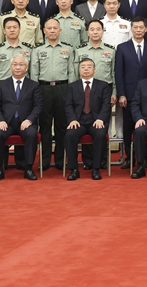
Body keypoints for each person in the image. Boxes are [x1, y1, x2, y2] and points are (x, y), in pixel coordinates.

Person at [29, 18, 77, 171]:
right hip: (43, 89)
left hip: (63, 88)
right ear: (44, 31)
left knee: (62, 126)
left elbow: (72, 72)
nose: (52, 31)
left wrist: (72, 92)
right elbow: (34, 73)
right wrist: (34, 93)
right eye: (49, 28)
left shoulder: (68, 49)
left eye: (55, 28)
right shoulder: (37, 50)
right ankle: (44, 160)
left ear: (60, 31)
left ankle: (60, 159)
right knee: (44, 126)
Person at [0, 55, 43, 181]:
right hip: (6, 122)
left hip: (25, 122)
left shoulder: (34, 85)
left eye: (21, 64)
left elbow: (38, 105)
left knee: (31, 134)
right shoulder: (2, 84)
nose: (18, 67)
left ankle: (28, 168)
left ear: (26, 68)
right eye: (15, 64)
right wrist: (0, 120)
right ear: (10, 67)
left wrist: (29, 120)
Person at [75, 20, 116, 170]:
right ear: (87, 32)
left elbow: (113, 73)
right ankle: (88, 160)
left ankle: (102, 159)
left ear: (103, 32)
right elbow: (75, 74)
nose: (95, 32)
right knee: (85, 120)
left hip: (104, 91)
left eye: (98, 29)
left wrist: (114, 92)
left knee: (101, 125)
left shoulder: (111, 51)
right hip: (85, 89)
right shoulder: (79, 50)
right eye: (92, 29)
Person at [115, 18, 147, 168]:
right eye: (135, 27)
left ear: (145, 30)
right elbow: (119, 73)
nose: (138, 30)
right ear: (131, 29)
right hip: (129, 95)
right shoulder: (122, 48)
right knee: (129, 127)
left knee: (145, 126)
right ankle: (129, 158)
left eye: (141, 27)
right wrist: (121, 94)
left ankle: (144, 158)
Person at [63, 58, 112, 181]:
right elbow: (68, 105)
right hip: (78, 121)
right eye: (83, 67)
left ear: (94, 70)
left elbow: (106, 105)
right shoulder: (72, 86)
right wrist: (72, 120)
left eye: (89, 67)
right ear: (79, 70)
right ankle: (74, 169)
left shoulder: (103, 86)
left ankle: (96, 169)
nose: (86, 69)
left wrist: (101, 119)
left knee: (100, 135)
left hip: (96, 121)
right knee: (69, 135)